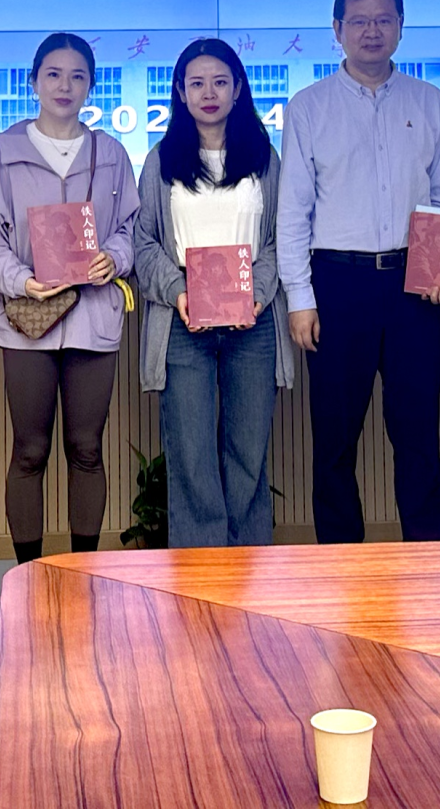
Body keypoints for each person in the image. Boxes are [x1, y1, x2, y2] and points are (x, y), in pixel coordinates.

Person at [279, 0, 440, 544]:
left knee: (418, 434)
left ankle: (427, 558)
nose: (372, 31)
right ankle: (341, 564)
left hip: (413, 285)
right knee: (335, 440)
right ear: (337, 30)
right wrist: (300, 298)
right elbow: (294, 211)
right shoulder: (308, 107)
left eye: (383, 20)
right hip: (337, 285)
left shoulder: (429, 101)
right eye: (358, 21)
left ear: (401, 27)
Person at [0, 33, 139, 564]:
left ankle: (82, 571)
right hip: (25, 317)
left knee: (87, 449)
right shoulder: (3, 152)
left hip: (93, 315)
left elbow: (131, 230)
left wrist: (115, 258)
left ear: (91, 86)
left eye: (77, 76)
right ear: (33, 82)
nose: (64, 86)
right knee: (30, 450)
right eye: (53, 74)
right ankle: (31, 573)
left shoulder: (111, 153)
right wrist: (22, 280)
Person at [132, 39, 295, 548]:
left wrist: (257, 295)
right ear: (180, 92)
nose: (209, 93)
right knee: (191, 455)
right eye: (197, 83)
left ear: (238, 89)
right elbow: (143, 242)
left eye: (220, 82)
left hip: (254, 321)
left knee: (248, 453)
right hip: (183, 321)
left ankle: (249, 567)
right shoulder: (161, 159)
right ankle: (200, 572)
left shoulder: (264, 158)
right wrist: (178, 291)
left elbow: (280, 238)